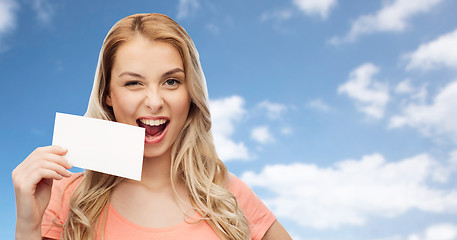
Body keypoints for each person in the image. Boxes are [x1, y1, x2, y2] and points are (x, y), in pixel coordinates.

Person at [12, 13, 292, 240]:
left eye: (171, 81)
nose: (155, 101)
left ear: (190, 92)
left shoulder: (227, 195)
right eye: (134, 83)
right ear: (107, 94)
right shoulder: (65, 198)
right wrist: (27, 226)